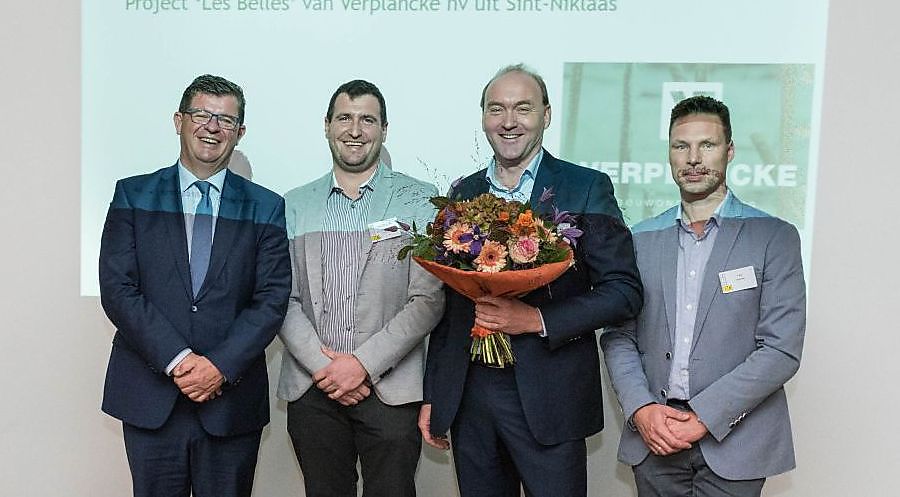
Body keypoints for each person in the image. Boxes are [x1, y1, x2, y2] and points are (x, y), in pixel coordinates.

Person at [418, 64, 643, 497]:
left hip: (550, 398)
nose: (509, 121)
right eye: (496, 109)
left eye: (523, 108)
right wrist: (436, 394)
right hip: (471, 399)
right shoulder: (463, 193)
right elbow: (450, 306)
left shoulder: (585, 187)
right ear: (483, 117)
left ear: (547, 114)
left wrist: (536, 319)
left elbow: (623, 292)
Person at [600, 95, 806, 497]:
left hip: (738, 443)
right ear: (669, 154)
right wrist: (640, 408)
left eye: (707, 145)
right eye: (681, 146)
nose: (693, 158)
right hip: (655, 438)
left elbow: (781, 349)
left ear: (729, 151)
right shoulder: (639, 240)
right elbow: (619, 336)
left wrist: (704, 417)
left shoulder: (774, 237)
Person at [99, 74, 292, 497]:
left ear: (239, 132)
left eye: (226, 120)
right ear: (179, 121)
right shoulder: (133, 195)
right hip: (151, 396)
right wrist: (180, 360)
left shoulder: (266, 206)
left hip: (230, 403)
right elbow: (118, 288)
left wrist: (218, 366)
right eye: (202, 114)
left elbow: (271, 299)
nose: (212, 127)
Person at [277, 79, 444, 497]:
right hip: (314, 388)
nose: (355, 130)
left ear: (384, 129)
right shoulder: (293, 204)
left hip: (391, 390)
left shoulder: (420, 199)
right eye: (344, 118)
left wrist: (361, 365)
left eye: (367, 120)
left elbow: (427, 300)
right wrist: (326, 368)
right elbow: (282, 298)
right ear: (327, 126)